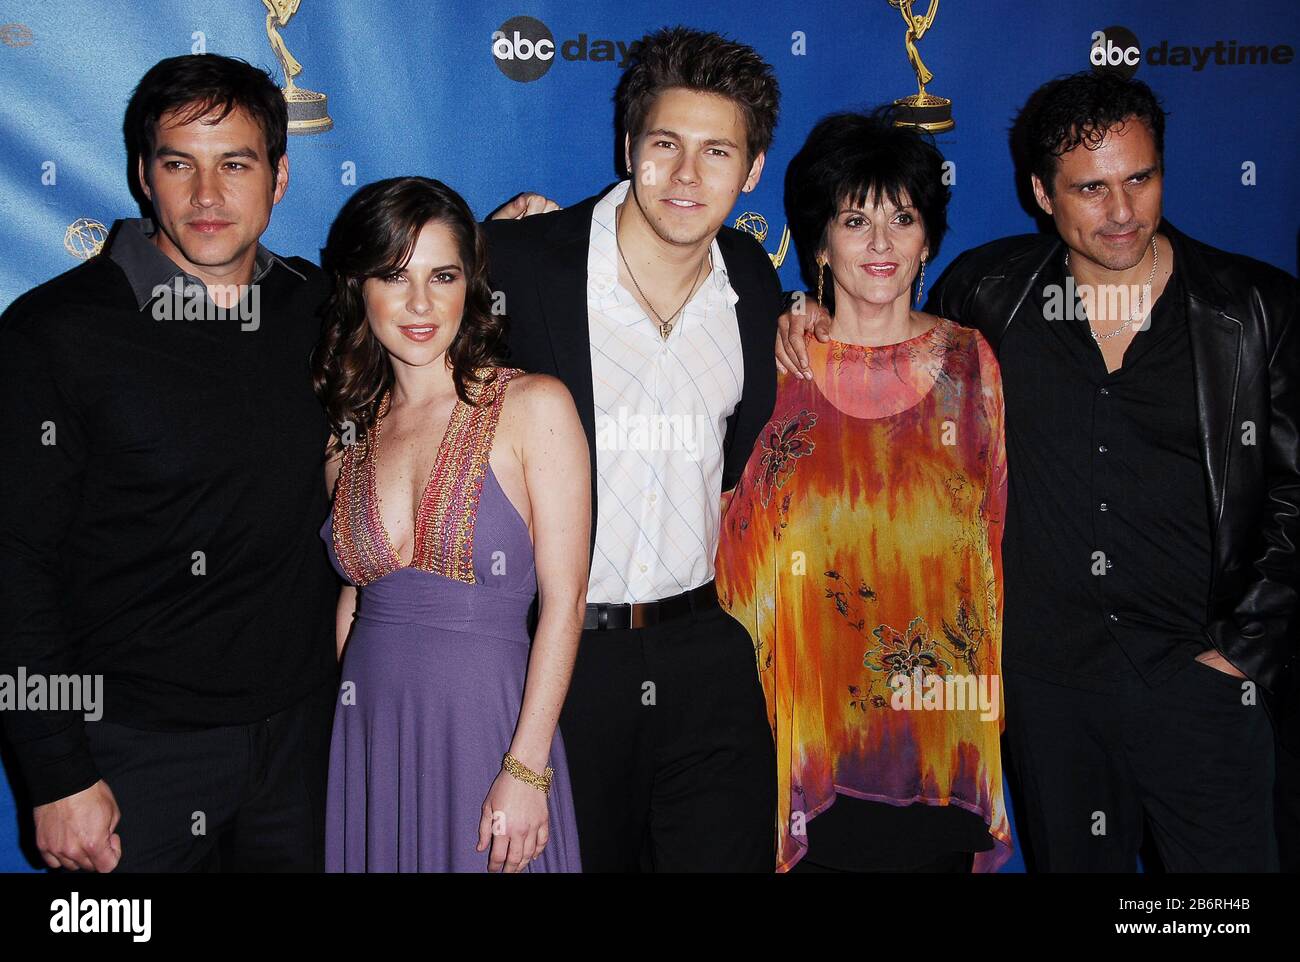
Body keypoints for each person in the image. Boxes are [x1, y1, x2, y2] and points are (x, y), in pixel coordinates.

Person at [778, 71, 1296, 872]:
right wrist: (800, 309)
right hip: (1049, 691)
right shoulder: (992, 297)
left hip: (1199, 679)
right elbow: (885, 339)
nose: (1121, 212)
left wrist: (1241, 650)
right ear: (1041, 193)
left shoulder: (1253, 310)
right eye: (1090, 188)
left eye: (1140, 178)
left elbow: (1293, 498)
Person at [0, 54, 339, 871]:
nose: (208, 196)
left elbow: (436, 298)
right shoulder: (55, 333)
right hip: (129, 757)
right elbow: (11, 564)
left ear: (281, 177)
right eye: (179, 163)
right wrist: (55, 774)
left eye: (237, 164)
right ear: (142, 176)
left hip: (306, 744)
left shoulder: (321, 308)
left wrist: (510, 234)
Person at [480, 26, 782, 871]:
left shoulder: (752, 284)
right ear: (627, 147)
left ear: (751, 171)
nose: (687, 177)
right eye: (665, 145)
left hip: (703, 648)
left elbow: (740, 446)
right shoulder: (518, 264)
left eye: (717, 152)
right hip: (560, 661)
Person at [715, 109, 1011, 873]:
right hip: (802, 740)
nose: (880, 244)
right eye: (854, 220)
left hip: (938, 748)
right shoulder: (767, 365)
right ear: (819, 242)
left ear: (928, 239)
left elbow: (992, 551)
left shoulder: (972, 364)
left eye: (901, 219)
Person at [313, 177, 589, 873]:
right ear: (358, 287)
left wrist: (526, 770)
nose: (419, 303)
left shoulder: (533, 406)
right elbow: (356, 597)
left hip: (489, 729)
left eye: (443, 275)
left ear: (471, 285)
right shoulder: (346, 439)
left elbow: (566, 600)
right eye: (392, 275)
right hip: (371, 731)